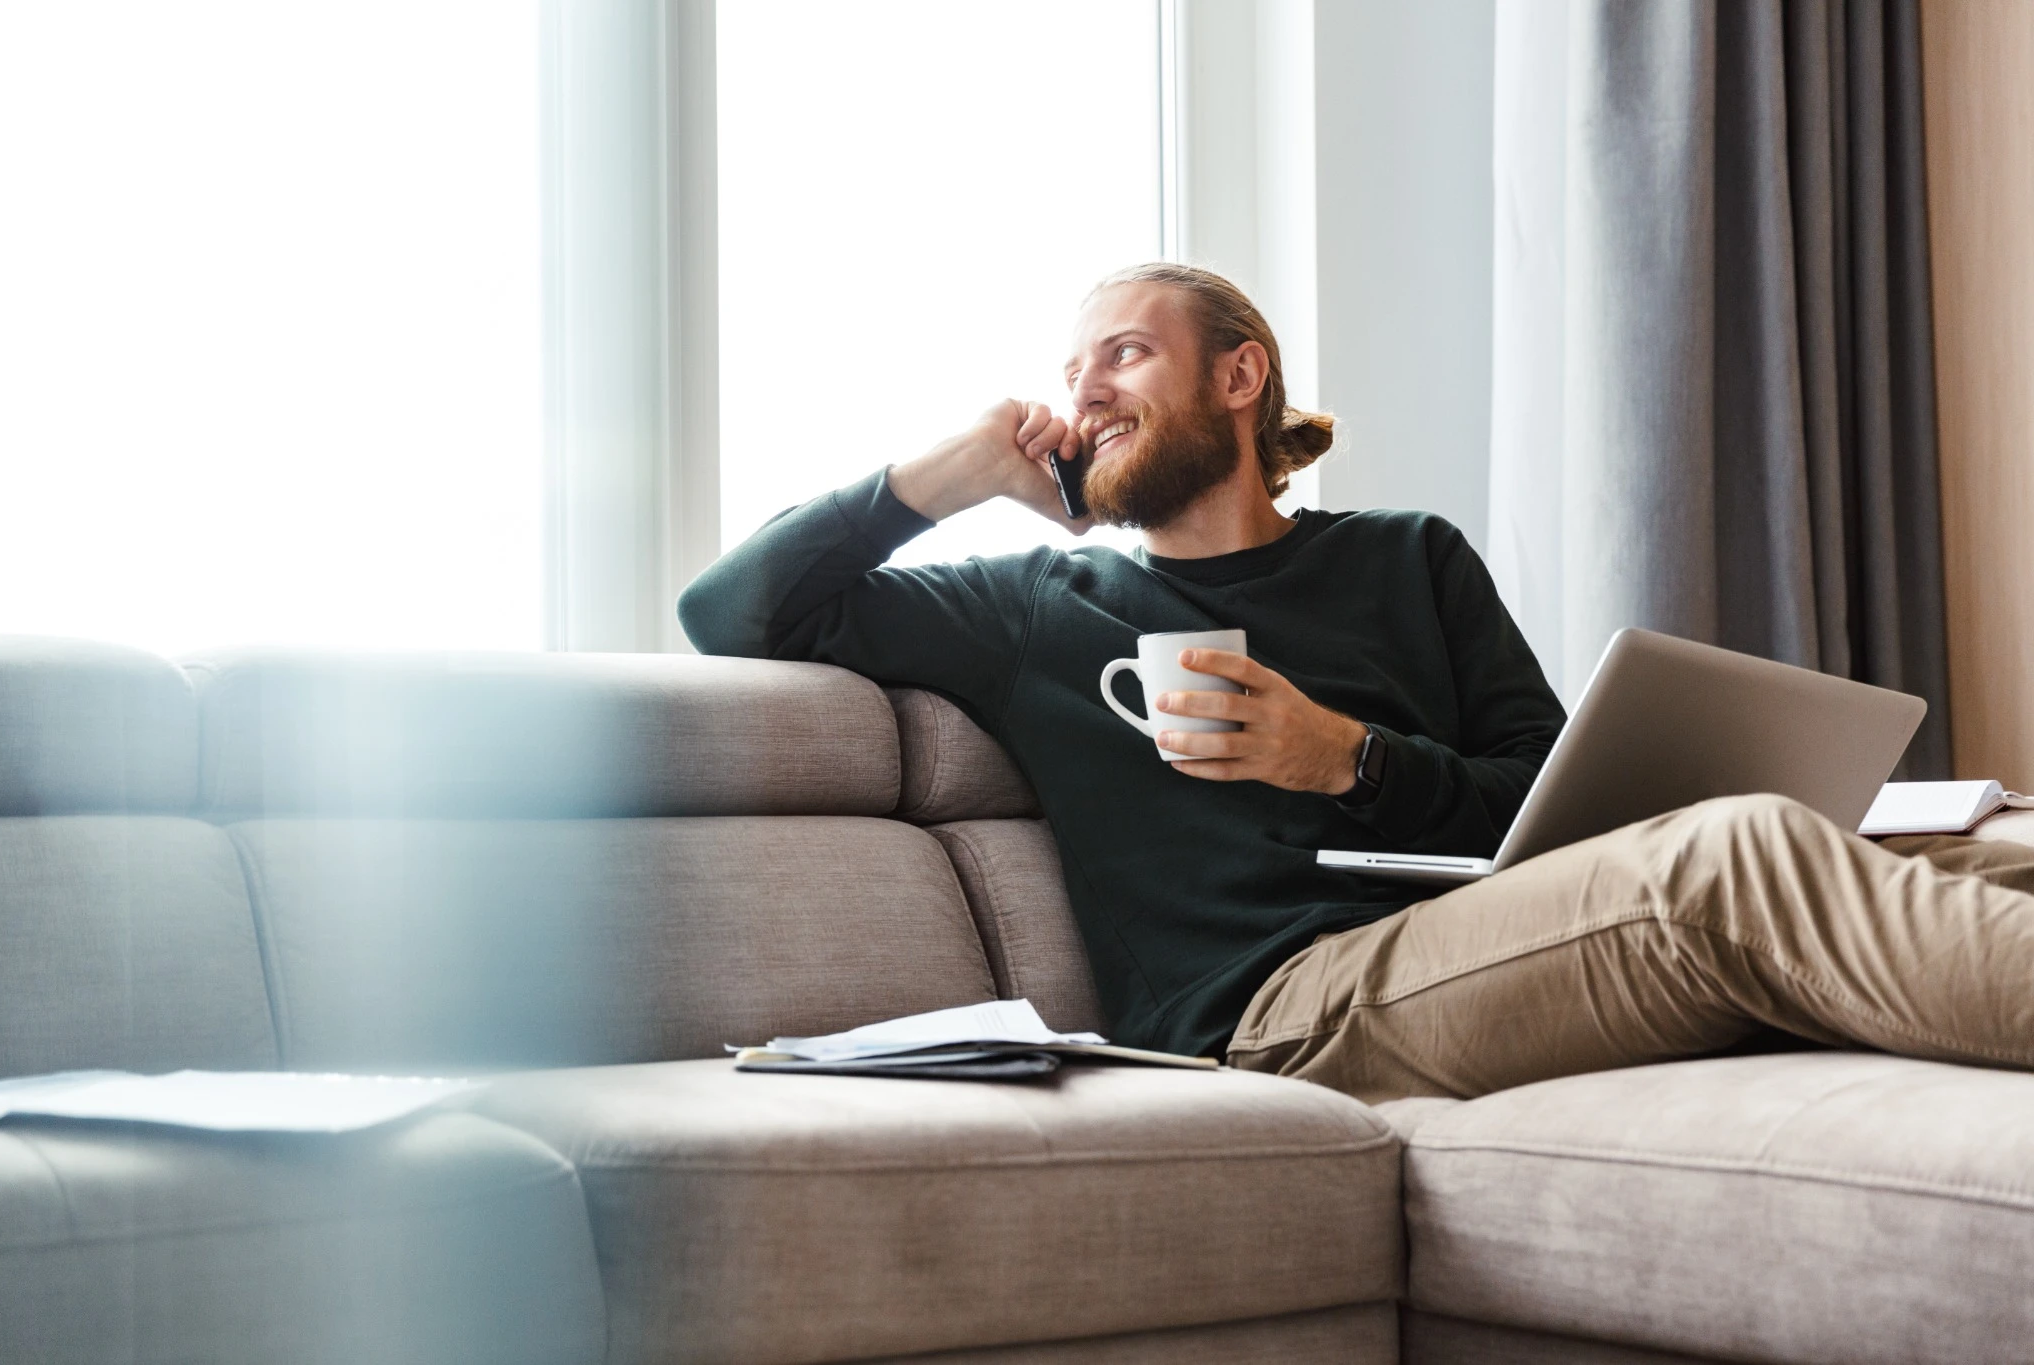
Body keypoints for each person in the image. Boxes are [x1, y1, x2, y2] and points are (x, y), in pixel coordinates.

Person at [679, 262, 2034, 1103]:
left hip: (1493, 934)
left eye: (1123, 353)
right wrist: (951, 477)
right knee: (1735, 858)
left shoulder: (1410, 560)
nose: (1081, 391)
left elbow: (1548, 805)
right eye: (1067, 369)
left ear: (1240, 377)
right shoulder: (1038, 607)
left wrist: (1351, 760)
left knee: (1993, 855)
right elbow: (734, 612)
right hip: (1277, 1006)